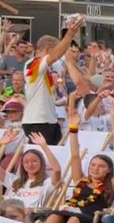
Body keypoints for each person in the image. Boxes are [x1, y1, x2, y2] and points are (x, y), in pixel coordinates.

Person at [42, 121, 114, 223]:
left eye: (101, 166)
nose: (95, 168)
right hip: (70, 211)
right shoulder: (80, 180)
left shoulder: (112, 184)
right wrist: (73, 129)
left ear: (109, 170)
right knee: (54, 216)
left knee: (74, 219)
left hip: (93, 219)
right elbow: (74, 156)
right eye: (93, 165)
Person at [20, 17, 85, 146]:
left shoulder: (45, 71)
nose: (59, 56)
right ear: (49, 50)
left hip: (49, 121)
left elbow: (50, 100)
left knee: (55, 156)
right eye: (57, 51)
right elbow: (55, 55)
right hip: (37, 121)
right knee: (41, 160)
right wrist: (70, 34)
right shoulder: (34, 64)